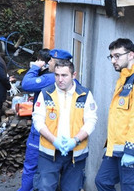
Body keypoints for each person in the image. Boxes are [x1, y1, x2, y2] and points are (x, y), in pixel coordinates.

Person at [32, 60, 97, 191]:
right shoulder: (46, 93)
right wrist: (54, 140)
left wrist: (75, 140)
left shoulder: (84, 95)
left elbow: (91, 121)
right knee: (45, 188)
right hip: (49, 153)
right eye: (57, 75)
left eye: (64, 75)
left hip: (76, 154)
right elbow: (38, 120)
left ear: (74, 75)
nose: (60, 79)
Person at [18, 48, 73, 191]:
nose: (48, 63)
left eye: (51, 61)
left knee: (32, 167)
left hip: (41, 132)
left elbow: (26, 84)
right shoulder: (71, 81)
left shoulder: (50, 78)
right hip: (58, 132)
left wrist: (35, 67)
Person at [95, 38, 134, 191]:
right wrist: (109, 146)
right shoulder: (123, 79)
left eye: (117, 56)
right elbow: (119, 117)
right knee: (102, 181)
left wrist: (131, 151)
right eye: (111, 56)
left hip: (129, 149)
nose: (113, 60)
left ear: (131, 55)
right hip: (116, 149)